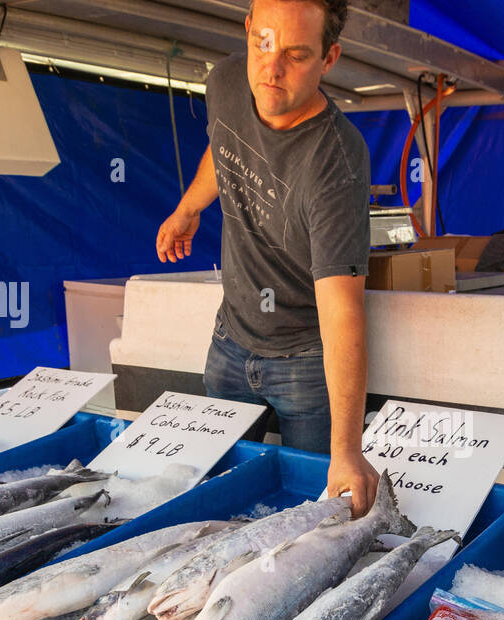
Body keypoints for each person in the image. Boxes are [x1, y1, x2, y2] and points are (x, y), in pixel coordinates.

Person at [155, 0, 379, 515]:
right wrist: (189, 209)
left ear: (329, 58)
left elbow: (342, 308)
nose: (271, 68)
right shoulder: (229, 81)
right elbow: (226, 143)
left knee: (306, 514)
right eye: (263, 43)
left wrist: (347, 450)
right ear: (249, 29)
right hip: (228, 342)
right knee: (223, 494)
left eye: (297, 55)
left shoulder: (337, 162)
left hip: (304, 363)